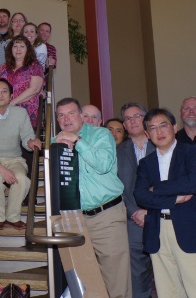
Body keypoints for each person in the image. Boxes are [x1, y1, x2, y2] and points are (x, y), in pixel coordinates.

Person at [134, 108, 196, 298]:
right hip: (158, 230)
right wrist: (174, 198)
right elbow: (140, 195)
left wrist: (156, 189)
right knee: (169, 292)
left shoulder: (193, 152)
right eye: (152, 128)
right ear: (147, 134)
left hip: (192, 228)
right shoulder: (146, 162)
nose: (159, 132)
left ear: (174, 127)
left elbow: (195, 182)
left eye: (163, 126)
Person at [53, 97, 131, 298]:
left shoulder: (100, 134)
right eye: (60, 115)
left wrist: (78, 142)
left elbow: (103, 164)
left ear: (80, 116)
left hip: (106, 214)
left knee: (116, 279)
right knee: (85, 281)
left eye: (71, 113)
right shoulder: (55, 143)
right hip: (75, 219)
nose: (66, 119)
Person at [0, 78, 41, 230]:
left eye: (4, 91)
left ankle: (13, 217)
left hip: (15, 159)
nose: (0, 95)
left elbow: (27, 137)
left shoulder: (20, 113)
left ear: (11, 96)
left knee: (22, 180)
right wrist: (1, 168)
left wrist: (30, 143)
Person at [116, 102, 155, 298]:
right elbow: (117, 188)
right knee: (137, 275)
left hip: (163, 217)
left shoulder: (162, 145)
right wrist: (134, 212)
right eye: (128, 118)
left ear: (146, 119)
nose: (132, 121)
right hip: (132, 221)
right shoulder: (117, 152)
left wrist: (150, 211)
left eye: (137, 116)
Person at [0, 36, 44, 128]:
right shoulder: (3, 67)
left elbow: (34, 89)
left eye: (22, 46)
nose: (18, 49)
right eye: (15, 46)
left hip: (26, 113)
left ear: (28, 50)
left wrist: (12, 103)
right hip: (4, 111)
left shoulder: (35, 66)